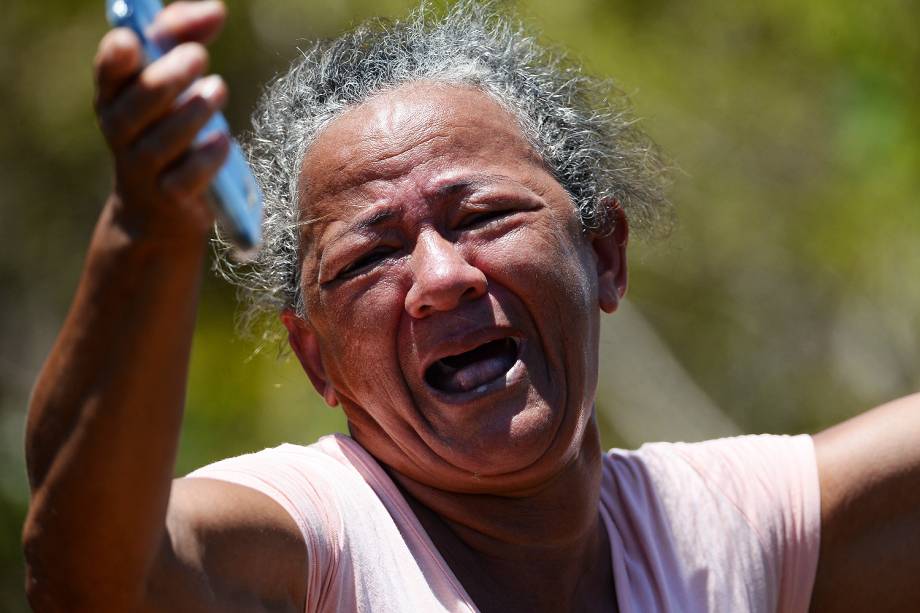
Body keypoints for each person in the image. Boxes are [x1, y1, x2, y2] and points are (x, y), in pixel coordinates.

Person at [21, 1, 920, 611]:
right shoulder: (324, 539)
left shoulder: (713, 535)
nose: (443, 276)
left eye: (485, 215)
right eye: (370, 254)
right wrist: (147, 227)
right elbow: (92, 578)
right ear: (317, 360)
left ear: (605, 255)